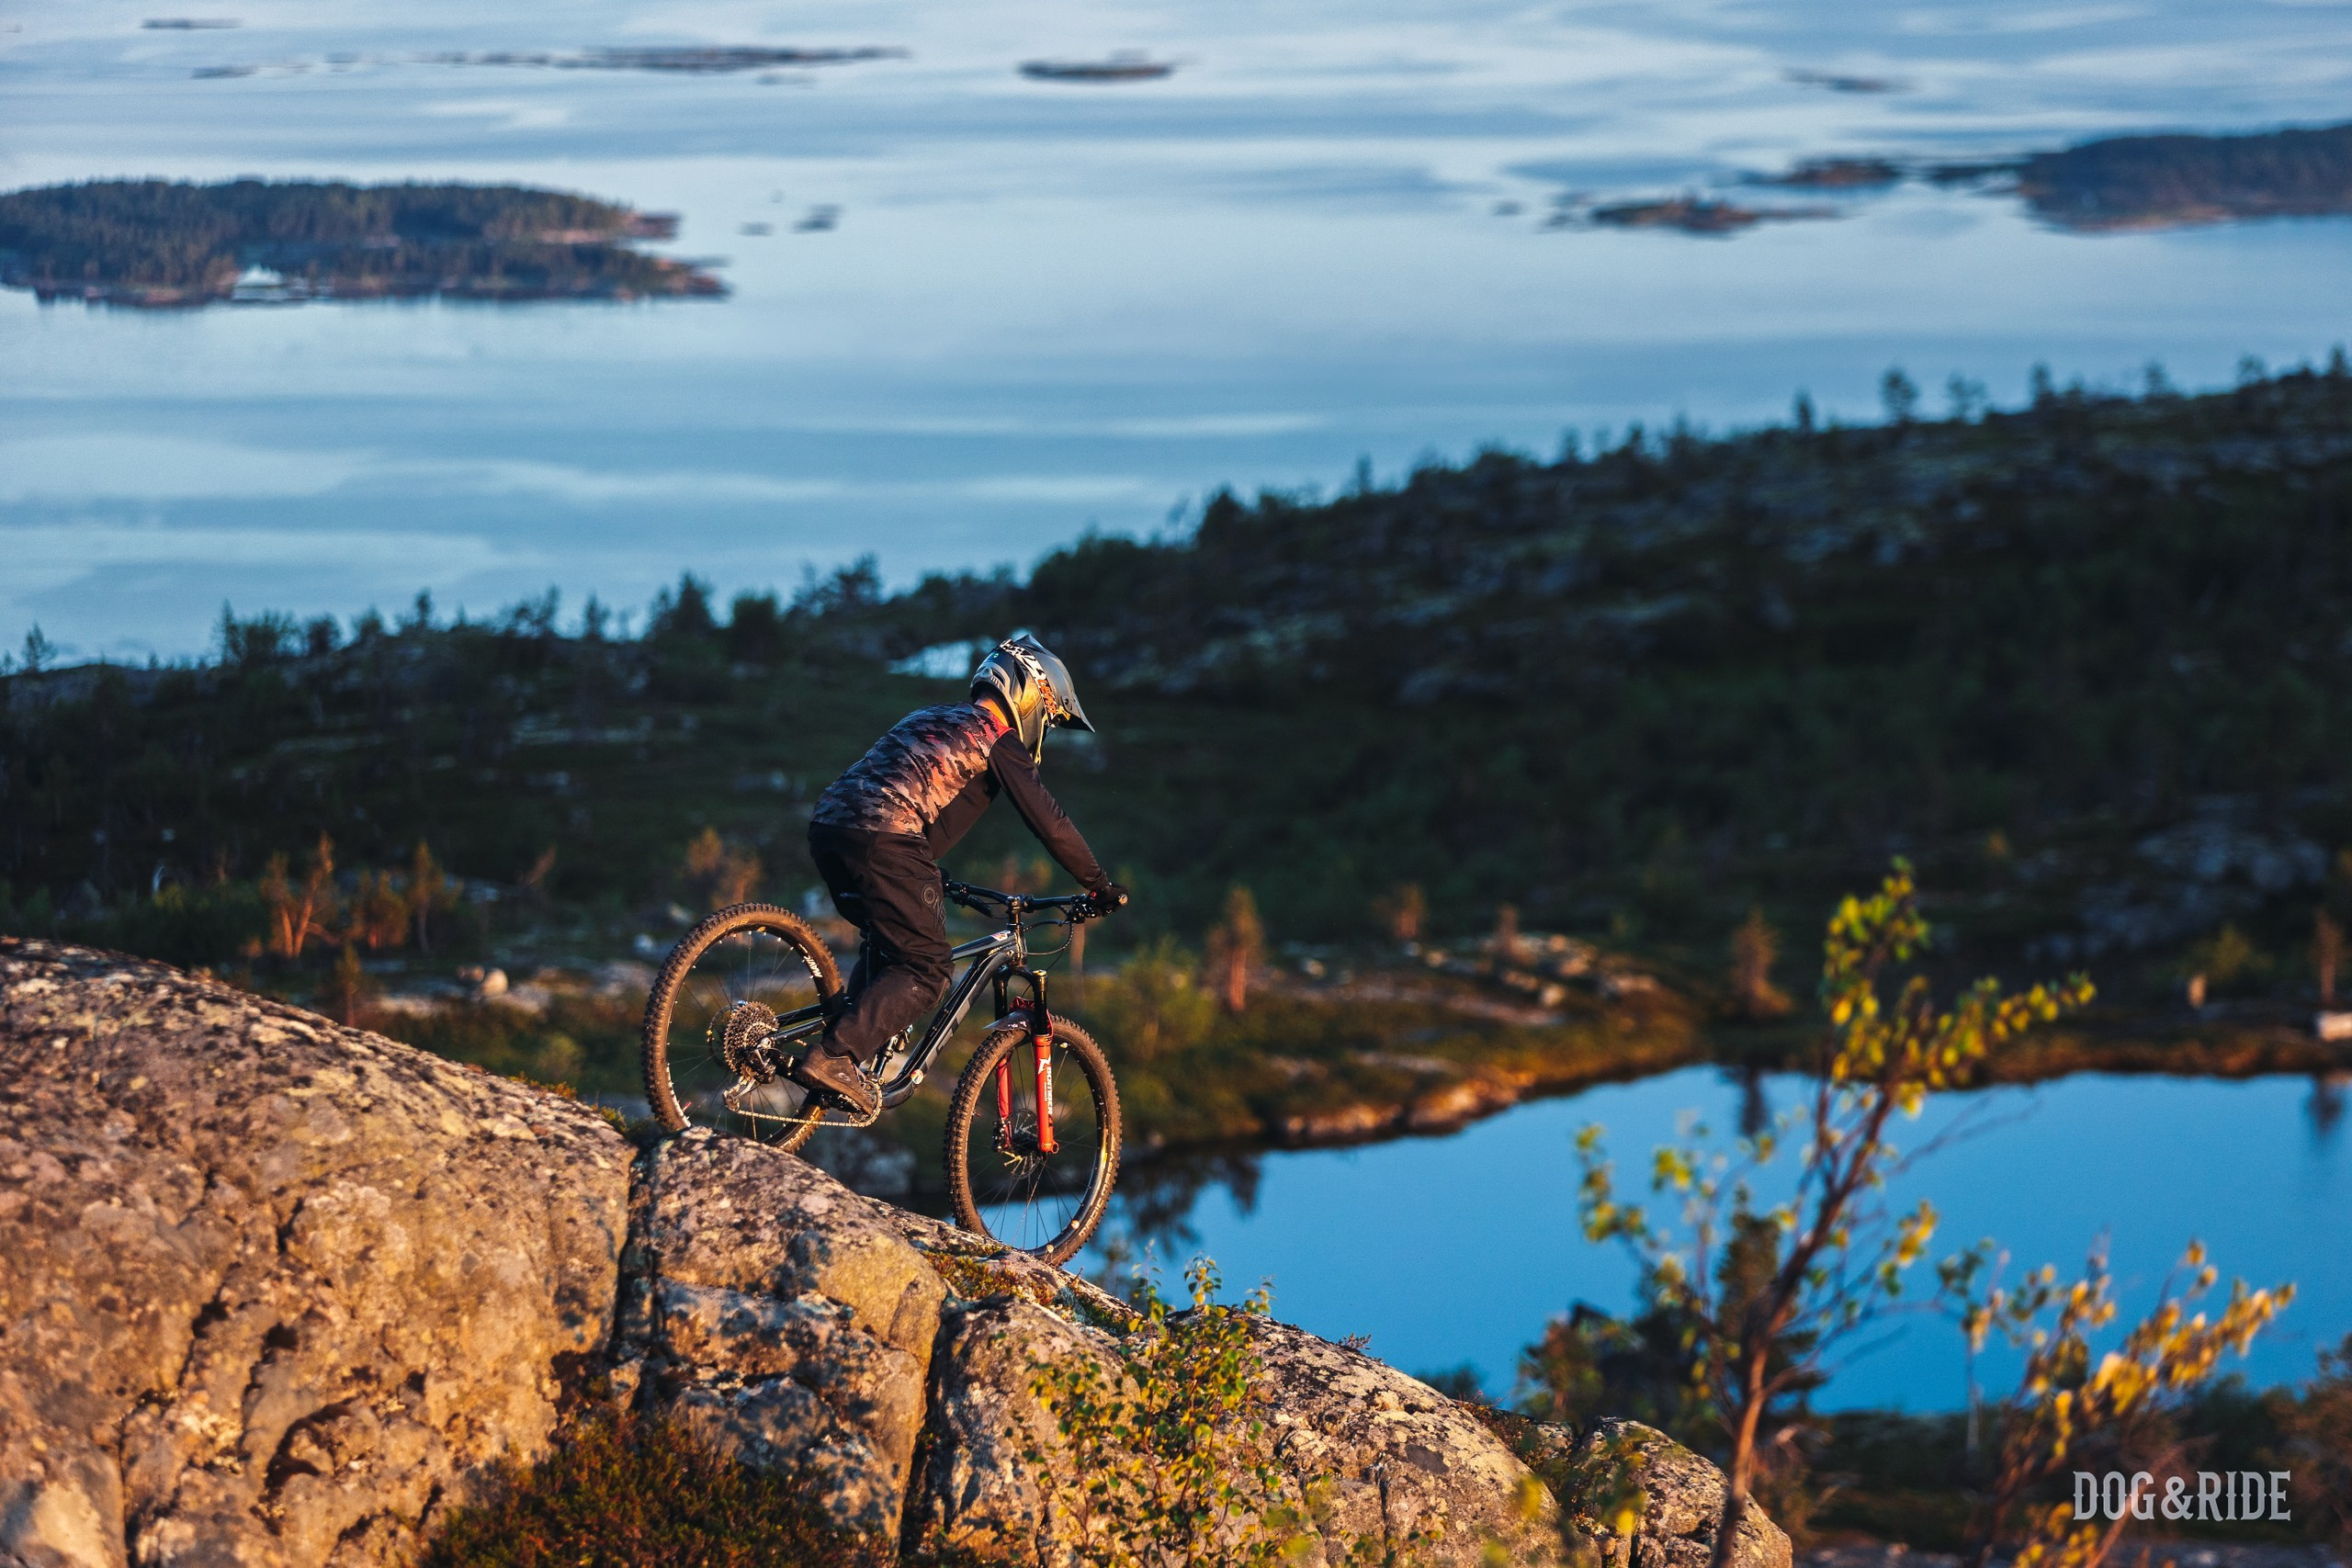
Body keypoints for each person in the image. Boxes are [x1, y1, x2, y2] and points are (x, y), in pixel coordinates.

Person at [794, 632, 1126, 1112]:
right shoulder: (997, 739)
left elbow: (915, 799)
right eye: (1049, 716)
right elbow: (1049, 822)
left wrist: (928, 872)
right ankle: (835, 1055)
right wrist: (1098, 885)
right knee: (928, 969)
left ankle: (841, 1052)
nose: (1045, 729)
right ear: (1031, 694)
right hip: (885, 838)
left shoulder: (929, 716)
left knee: (889, 948)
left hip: (830, 829)